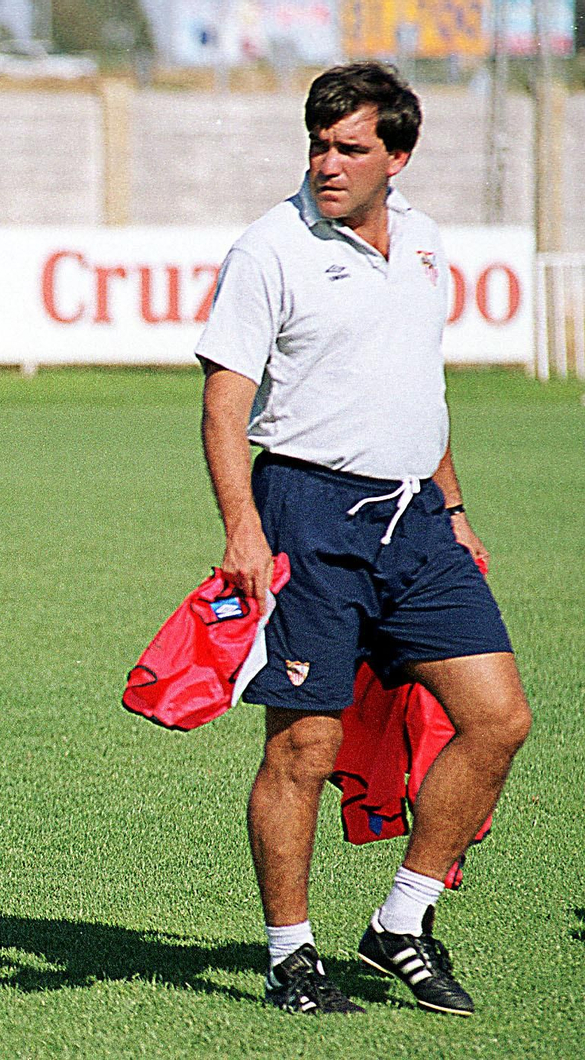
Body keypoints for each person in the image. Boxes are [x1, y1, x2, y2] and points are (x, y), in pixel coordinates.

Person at [194, 61, 530, 1017]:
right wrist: (243, 529)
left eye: (349, 147)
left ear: (398, 156)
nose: (327, 162)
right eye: (318, 144)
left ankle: (402, 921)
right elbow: (225, 404)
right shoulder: (270, 248)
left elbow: (417, 386)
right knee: (304, 745)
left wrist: (456, 512)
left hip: (417, 520)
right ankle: (289, 954)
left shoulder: (424, 242)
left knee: (498, 719)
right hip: (306, 512)